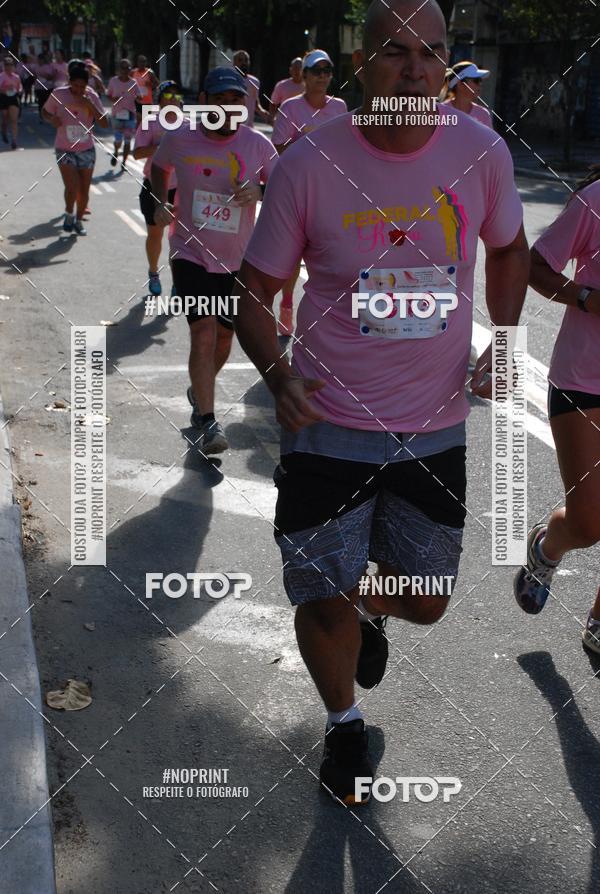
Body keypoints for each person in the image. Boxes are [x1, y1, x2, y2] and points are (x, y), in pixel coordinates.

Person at [234, 0, 528, 805]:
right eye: (396, 52)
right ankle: (344, 728)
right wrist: (277, 370)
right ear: (361, 65)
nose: (418, 68)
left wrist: (503, 341)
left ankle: (362, 608)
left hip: (433, 426)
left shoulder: (482, 152)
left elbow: (508, 249)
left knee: (427, 602)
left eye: (432, 51)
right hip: (327, 424)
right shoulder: (309, 162)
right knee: (316, 589)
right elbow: (253, 290)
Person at [151, 66, 277, 454]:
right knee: (203, 332)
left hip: (238, 262)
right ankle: (207, 421)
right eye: (220, 100)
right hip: (189, 253)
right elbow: (159, 167)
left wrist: (257, 191)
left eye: (236, 101)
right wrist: (160, 200)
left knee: (224, 337)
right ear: (203, 103)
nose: (229, 108)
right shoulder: (181, 138)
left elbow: (286, 188)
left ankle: (198, 389)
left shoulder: (258, 146)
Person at [513, 166, 600, 652]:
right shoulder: (596, 201)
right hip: (583, 380)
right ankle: (547, 545)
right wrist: (585, 297)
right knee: (589, 523)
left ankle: (599, 620)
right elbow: (534, 266)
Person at [271, 49, 348, 336]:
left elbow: (345, 146)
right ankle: (287, 304)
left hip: (331, 192)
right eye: (317, 71)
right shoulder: (291, 108)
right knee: (294, 254)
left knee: (329, 253)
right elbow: (277, 147)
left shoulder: (339, 107)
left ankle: (325, 311)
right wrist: (309, 148)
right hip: (297, 190)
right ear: (304, 76)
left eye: (327, 71)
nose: (323, 76)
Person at [42, 60, 109, 234]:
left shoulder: (91, 96)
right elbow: (45, 111)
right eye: (76, 85)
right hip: (64, 147)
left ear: (87, 85)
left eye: (82, 86)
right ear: (69, 82)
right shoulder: (59, 94)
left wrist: (91, 105)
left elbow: (104, 123)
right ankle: (69, 213)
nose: (79, 90)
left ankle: (79, 221)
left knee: (84, 189)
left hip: (86, 148)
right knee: (72, 186)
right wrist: (51, 119)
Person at [133, 80, 181, 296]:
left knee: (179, 240)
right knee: (156, 235)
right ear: (159, 100)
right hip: (154, 187)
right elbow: (137, 153)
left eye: (176, 96)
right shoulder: (149, 123)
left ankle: (178, 282)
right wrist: (160, 145)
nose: (172, 100)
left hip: (181, 190)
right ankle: (153, 272)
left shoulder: (188, 125)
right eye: (168, 96)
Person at [107, 59, 143, 169]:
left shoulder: (133, 83)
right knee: (118, 140)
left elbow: (140, 97)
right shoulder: (113, 81)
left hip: (130, 115)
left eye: (127, 68)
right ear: (118, 69)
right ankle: (116, 151)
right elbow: (108, 95)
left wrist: (138, 98)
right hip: (117, 114)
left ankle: (124, 162)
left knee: (127, 141)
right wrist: (113, 99)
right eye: (122, 68)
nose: (125, 70)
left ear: (130, 70)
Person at [442, 61, 493, 128]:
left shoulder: (483, 114)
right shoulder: (440, 111)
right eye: (476, 80)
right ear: (460, 84)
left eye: (480, 80)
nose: (480, 84)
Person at [232, 50, 270, 128]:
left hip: (248, 128)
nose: (244, 63)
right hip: (231, 128)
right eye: (240, 60)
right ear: (234, 63)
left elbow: (255, 102)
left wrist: (262, 112)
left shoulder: (254, 81)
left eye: (246, 60)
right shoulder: (229, 80)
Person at [0, 57, 22, 149]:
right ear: (4, 66)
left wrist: (19, 91)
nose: (9, 67)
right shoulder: (1, 76)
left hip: (13, 97)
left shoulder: (16, 77)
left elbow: (20, 87)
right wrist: (5, 89)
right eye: (7, 65)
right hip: (3, 98)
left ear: (13, 66)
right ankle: (3, 131)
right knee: (5, 118)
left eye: (10, 65)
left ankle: (14, 141)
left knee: (14, 120)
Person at [131, 55, 158, 122]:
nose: (142, 63)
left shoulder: (149, 72)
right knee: (138, 121)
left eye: (144, 62)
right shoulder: (133, 72)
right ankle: (138, 132)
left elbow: (157, 84)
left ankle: (145, 132)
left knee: (146, 122)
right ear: (137, 63)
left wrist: (150, 84)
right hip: (136, 100)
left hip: (147, 101)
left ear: (146, 63)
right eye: (140, 61)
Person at [34, 52, 54, 121]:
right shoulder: (36, 67)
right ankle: (41, 115)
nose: (39, 61)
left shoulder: (48, 67)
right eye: (38, 59)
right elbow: (35, 76)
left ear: (43, 60)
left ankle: (47, 115)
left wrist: (43, 76)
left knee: (47, 102)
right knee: (40, 102)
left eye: (40, 59)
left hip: (47, 87)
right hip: (38, 88)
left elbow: (50, 77)